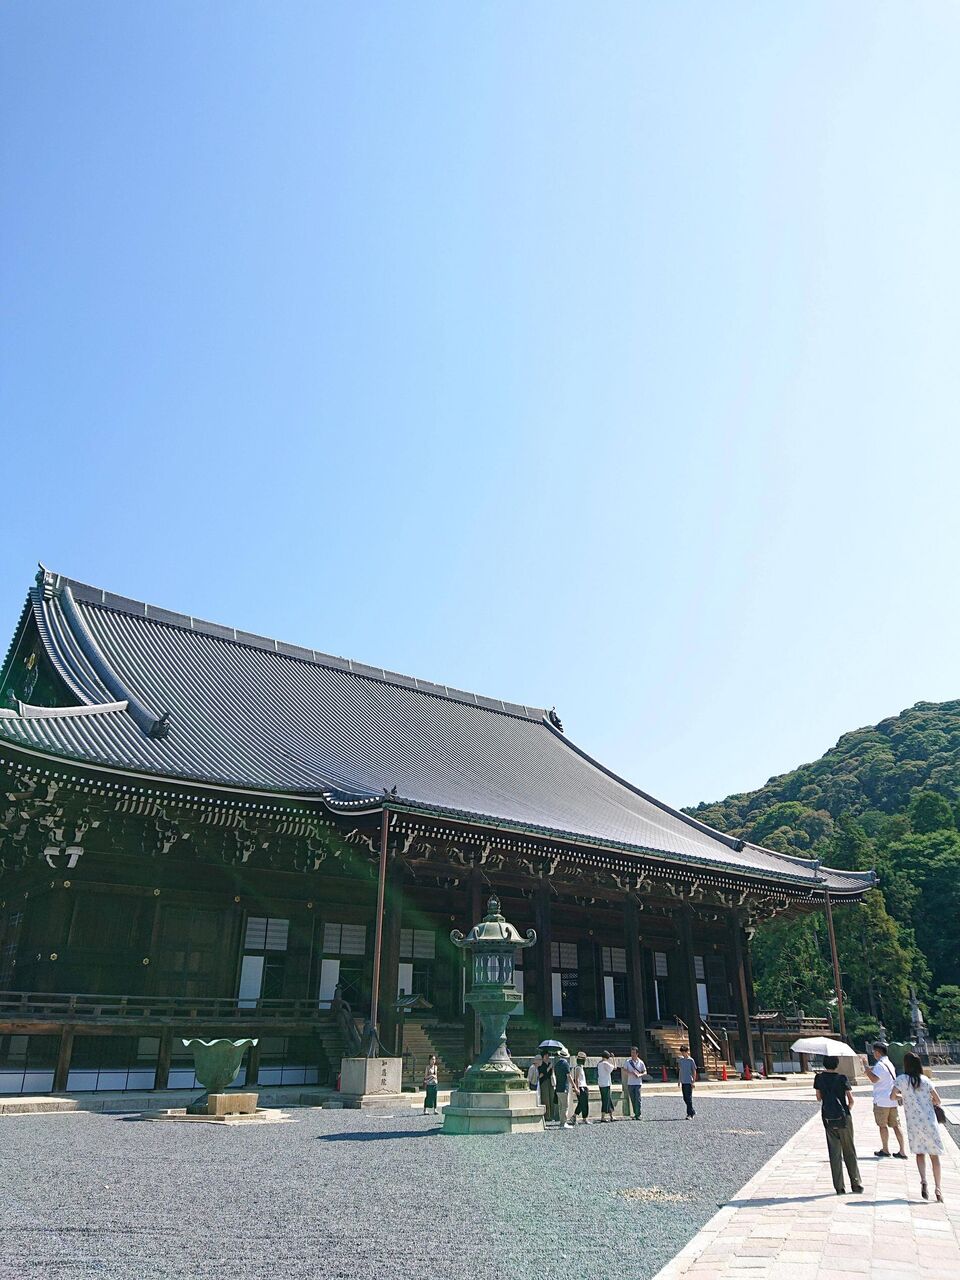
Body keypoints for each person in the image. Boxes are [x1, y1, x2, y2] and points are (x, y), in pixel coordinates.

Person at [893, 1051, 945, 1202]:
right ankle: (938, 1188)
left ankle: (923, 1180)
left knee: (920, 1153)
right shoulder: (925, 1080)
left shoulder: (902, 1080)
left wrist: (904, 1096)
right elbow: (938, 1100)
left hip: (914, 1124)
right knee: (934, 1156)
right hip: (929, 1122)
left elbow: (892, 1096)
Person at [814, 1055, 863, 1195]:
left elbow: (818, 1098)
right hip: (844, 1118)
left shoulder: (819, 1078)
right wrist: (847, 1110)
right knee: (849, 1150)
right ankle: (856, 1183)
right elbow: (851, 1100)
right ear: (837, 1064)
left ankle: (839, 1186)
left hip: (828, 1117)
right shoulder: (842, 1078)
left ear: (824, 1064)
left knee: (834, 1152)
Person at [863, 1042, 907, 1159]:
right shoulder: (889, 1063)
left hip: (882, 1100)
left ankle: (885, 1149)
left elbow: (874, 1079)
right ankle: (902, 1150)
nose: (873, 1054)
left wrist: (866, 1067)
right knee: (896, 1125)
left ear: (878, 1052)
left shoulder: (880, 1065)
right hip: (892, 1099)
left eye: (874, 1051)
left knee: (883, 1125)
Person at [622, 1046, 647, 1120]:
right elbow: (624, 1070)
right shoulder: (628, 1061)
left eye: (634, 1053)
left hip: (638, 1083)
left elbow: (645, 1071)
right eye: (631, 1053)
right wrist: (630, 1073)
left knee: (638, 1099)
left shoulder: (641, 1062)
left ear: (637, 1054)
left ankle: (638, 1114)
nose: (632, 1054)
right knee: (633, 1099)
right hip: (630, 1083)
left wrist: (640, 1075)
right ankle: (635, 1113)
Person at [554, 1049, 572, 1127]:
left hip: (558, 1087)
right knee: (565, 1106)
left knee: (560, 1106)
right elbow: (569, 1076)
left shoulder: (557, 1064)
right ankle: (563, 1122)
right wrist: (574, 1085)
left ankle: (561, 1122)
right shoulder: (566, 1064)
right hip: (564, 1087)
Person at [538, 1051, 557, 1124]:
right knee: (546, 1099)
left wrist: (552, 1068)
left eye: (548, 1056)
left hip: (550, 1082)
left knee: (551, 1098)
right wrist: (549, 1068)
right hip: (544, 1082)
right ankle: (547, 1116)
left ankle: (552, 1115)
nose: (547, 1057)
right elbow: (542, 1074)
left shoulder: (550, 1063)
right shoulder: (541, 1064)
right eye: (546, 1056)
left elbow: (552, 1074)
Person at [678, 1044, 697, 1118]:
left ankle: (689, 1114)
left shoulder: (691, 1060)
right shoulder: (681, 1060)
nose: (682, 1054)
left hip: (689, 1081)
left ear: (686, 1052)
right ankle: (692, 1111)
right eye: (682, 1052)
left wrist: (693, 1082)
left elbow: (694, 1071)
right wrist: (679, 1080)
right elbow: (680, 1070)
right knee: (685, 1098)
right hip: (683, 1081)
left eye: (683, 1052)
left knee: (688, 1098)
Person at [597, 1050, 615, 1122]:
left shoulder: (599, 1063)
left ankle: (611, 1116)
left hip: (601, 1083)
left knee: (608, 1099)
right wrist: (613, 1059)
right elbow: (614, 1067)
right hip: (606, 1084)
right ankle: (603, 1117)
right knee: (606, 1100)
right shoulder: (605, 1063)